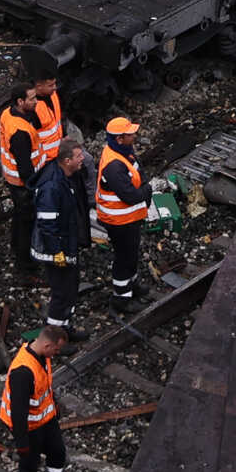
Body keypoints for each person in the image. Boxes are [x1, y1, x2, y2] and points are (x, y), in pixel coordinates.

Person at [0, 78, 64, 275]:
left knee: (19, 217)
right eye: (32, 99)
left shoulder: (7, 115)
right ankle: (25, 267)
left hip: (13, 181)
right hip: (23, 185)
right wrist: (36, 187)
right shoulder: (20, 132)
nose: (36, 102)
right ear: (20, 102)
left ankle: (15, 245)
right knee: (28, 223)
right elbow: (25, 168)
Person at [2, 327, 69, 472]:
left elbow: (44, 387)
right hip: (29, 426)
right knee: (29, 466)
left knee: (57, 452)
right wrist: (22, 442)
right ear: (47, 345)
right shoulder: (22, 372)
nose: (56, 354)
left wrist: (54, 407)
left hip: (46, 419)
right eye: (56, 350)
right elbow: (18, 412)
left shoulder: (43, 356)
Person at [31, 141, 89, 338]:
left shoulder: (66, 176)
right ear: (66, 160)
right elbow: (47, 224)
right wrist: (57, 252)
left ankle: (64, 328)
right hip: (55, 249)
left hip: (65, 243)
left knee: (71, 287)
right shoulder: (52, 186)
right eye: (78, 156)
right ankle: (55, 335)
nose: (83, 159)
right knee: (62, 292)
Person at [94, 117, 152, 307]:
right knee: (124, 256)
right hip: (119, 220)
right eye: (130, 134)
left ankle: (132, 284)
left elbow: (138, 172)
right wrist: (148, 189)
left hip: (129, 217)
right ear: (119, 139)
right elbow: (130, 195)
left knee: (131, 252)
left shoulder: (123, 152)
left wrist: (144, 187)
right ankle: (122, 297)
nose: (134, 136)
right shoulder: (114, 166)